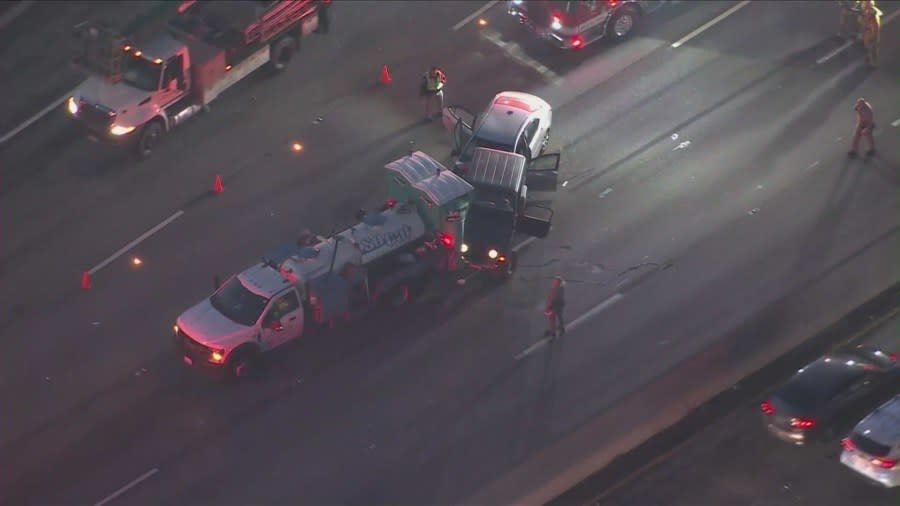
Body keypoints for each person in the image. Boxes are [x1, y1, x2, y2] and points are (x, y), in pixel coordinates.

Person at [859, 0, 882, 67]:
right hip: (867, 32)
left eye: (864, 4)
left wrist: (873, 35)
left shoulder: (873, 15)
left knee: (872, 47)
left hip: (871, 32)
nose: (862, 5)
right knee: (867, 47)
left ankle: (873, 62)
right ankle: (869, 60)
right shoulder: (865, 12)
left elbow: (875, 27)